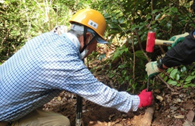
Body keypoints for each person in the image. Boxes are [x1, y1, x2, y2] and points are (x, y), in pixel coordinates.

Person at [0, 9, 153, 126]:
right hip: (2, 116)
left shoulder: (47, 38)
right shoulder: (64, 60)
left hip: (6, 102)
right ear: (87, 37)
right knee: (60, 123)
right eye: (95, 43)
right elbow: (100, 93)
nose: (95, 49)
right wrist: (136, 101)